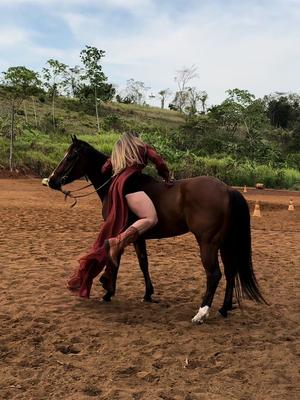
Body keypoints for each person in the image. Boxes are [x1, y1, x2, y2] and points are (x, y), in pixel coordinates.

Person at [68, 132, 173, 298]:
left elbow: (104, 168)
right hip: (132, 182)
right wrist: (166, 176)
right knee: (150, 218)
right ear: (136, 138)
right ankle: (117, 242)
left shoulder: (118, 148)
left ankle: (110, 274)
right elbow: (158, 161)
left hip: (116, 186)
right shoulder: (142, 146)